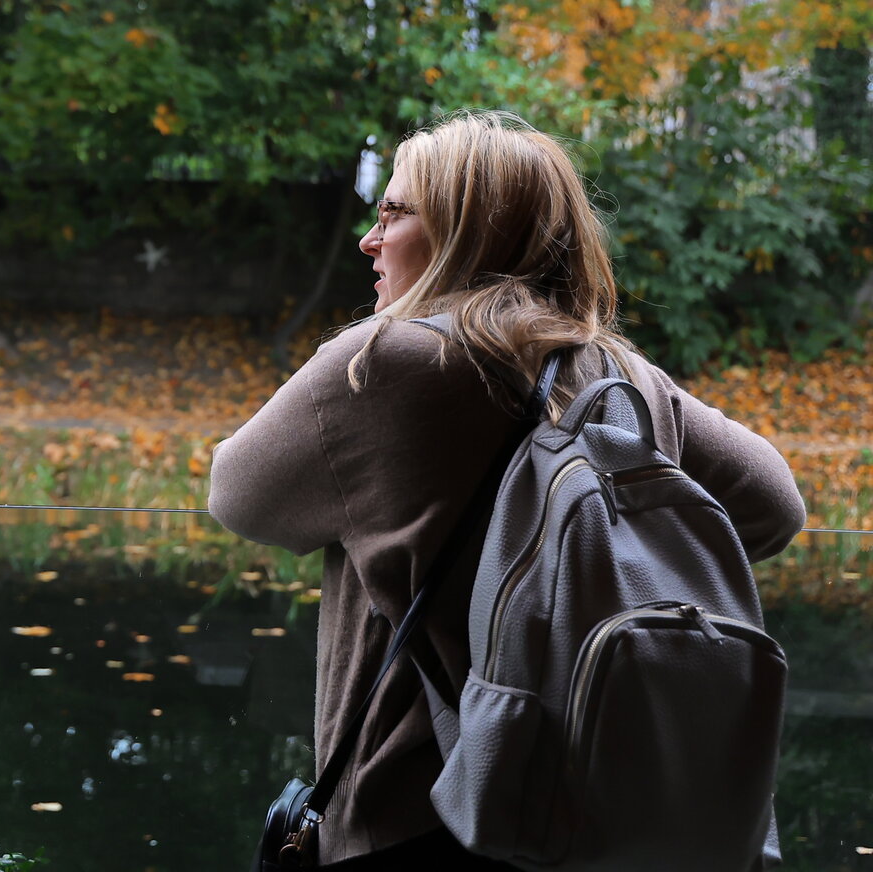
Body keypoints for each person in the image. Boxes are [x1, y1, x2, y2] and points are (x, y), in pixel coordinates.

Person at [207, 110, 804, 869]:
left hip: (411, 817)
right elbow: (775, 508)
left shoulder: (382, 363)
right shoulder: (621, 377)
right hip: (597, 811)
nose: (370, 239)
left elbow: (236, 494)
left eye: (394, 212)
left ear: (465, 230)